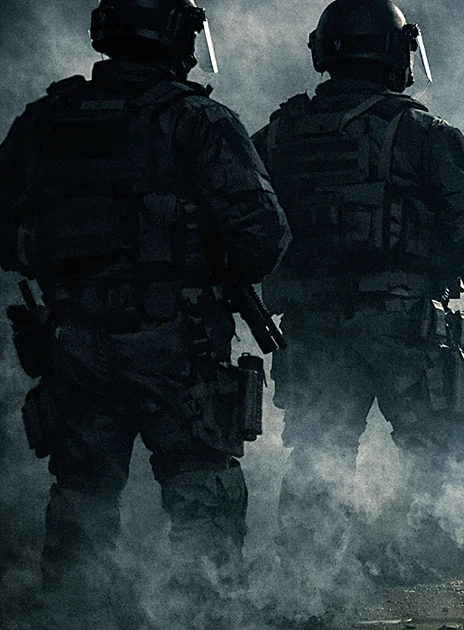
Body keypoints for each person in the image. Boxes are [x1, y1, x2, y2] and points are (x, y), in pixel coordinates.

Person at [0, 0, 290, 617]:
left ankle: (75, 615)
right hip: (174, 340)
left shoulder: (43, 120)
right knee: (199, 486)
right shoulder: (196, 121)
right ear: (178, 38)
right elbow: (262, 236)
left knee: (81, 491)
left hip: (72, 338)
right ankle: (197, 613)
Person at [253, 0, 464, 582]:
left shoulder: (276, 134)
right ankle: (433, 578)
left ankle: (302, 583)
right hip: (399, 321)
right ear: (398, 53)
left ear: (324, 52)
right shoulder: (422, 133)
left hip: (310, 323)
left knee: (319, 458)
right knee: (436, 450)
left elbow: (244, 228)